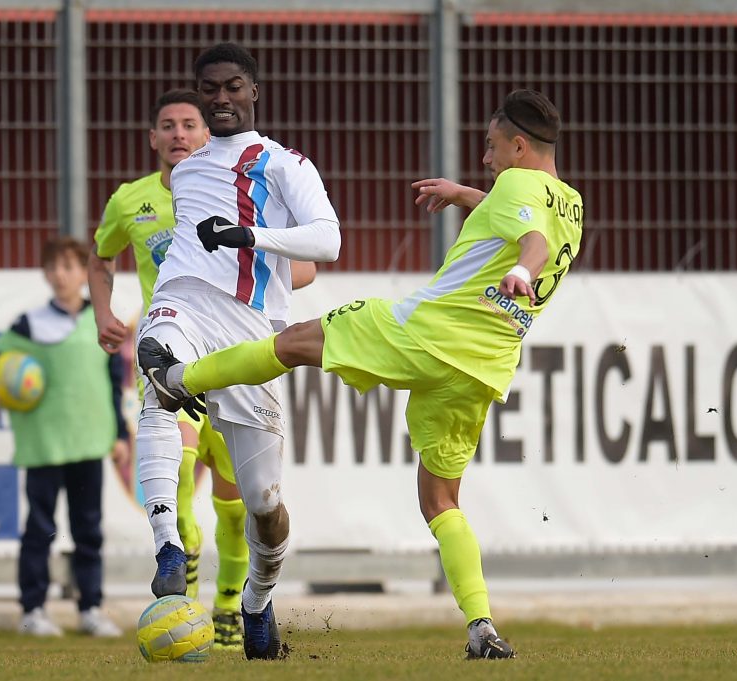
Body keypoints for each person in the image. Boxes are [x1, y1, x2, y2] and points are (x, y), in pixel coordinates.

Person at [140, 89, 583, 660]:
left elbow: (532, 240)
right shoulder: (568, 202)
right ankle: (481, 626)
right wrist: (464, 195)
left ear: (519, 146)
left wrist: (522, 268)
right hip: (484, 367)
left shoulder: (518, 188)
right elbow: (527, 216)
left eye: (492, 146)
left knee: (293, 343)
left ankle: (181, 379)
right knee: (440, 501)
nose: (486, 158)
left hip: (428, 335)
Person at [87, 88, 317, 650]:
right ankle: (176, 585)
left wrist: (252, 267)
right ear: (153, 137)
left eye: (188, 124)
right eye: (167, 125)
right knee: (176, 460)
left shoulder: (244, 185)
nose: (179, 134)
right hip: (173, 339)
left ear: (207, 133)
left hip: (237, 349)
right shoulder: (131, 201)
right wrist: (104, 314)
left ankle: (236, 608)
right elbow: (101, 256)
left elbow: (307, 266)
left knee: (247, 508)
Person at [131, 43, 341, 660]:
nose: (220, 98)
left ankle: (256, 602)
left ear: (254, 92)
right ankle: (169, 548)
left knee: (264, 507)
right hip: (185, 301)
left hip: (251, 330)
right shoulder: (188, 170)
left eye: (232, 87)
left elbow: (328, 241)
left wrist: (250, 236)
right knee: (157, 375)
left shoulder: (283, 162)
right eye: (209, 88)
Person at [0, 236, 126, 638]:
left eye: (69, 266)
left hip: (89, 443)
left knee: (88, 530)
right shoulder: (30, 324)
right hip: (44, 444)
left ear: (85, 273)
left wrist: (121, 434)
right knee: (40, 530)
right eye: (53, 267)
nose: (60, 275)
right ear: (44, 273)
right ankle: (33, 610)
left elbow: (114, 383)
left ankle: (90, 609)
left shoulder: (102, 322)